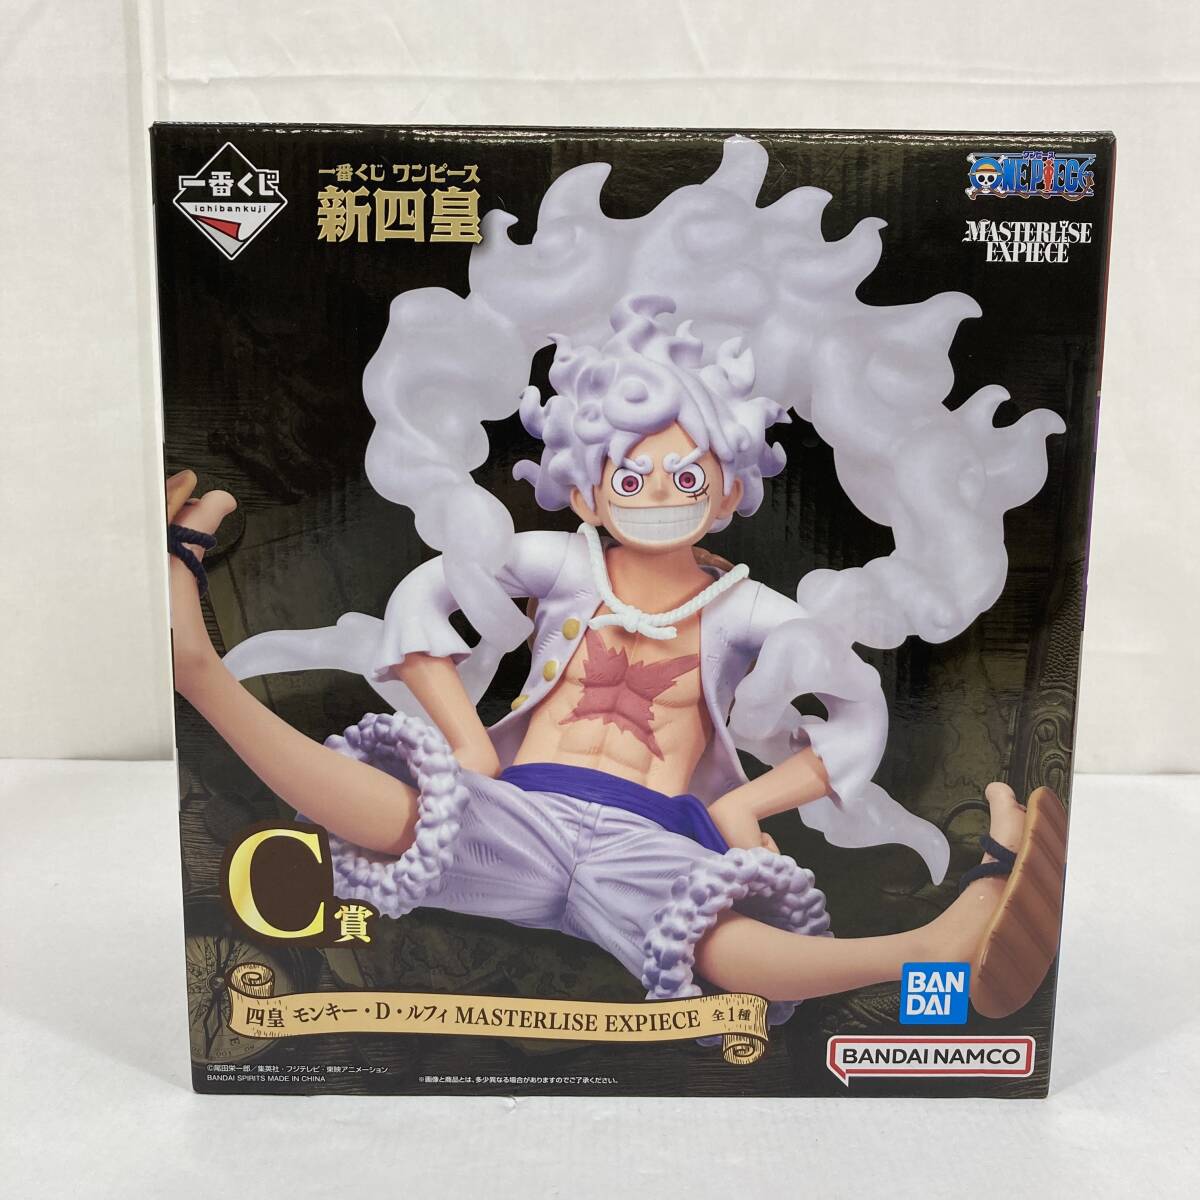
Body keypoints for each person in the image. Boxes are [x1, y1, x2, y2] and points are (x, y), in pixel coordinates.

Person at [166, 299, 1066, 1027]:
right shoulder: (561, 564)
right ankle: (198, 670)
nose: (659, 496)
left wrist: (746, 804)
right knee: (408, 815)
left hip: (653, 840)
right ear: (589, 489)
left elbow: (860, 707)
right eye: (631, 478)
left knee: (705, 939)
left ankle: (930, 952)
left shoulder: (746, 607)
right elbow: (425, 593)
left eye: (688, 476)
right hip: (522, 813)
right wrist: (467, 742)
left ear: (730, 486)